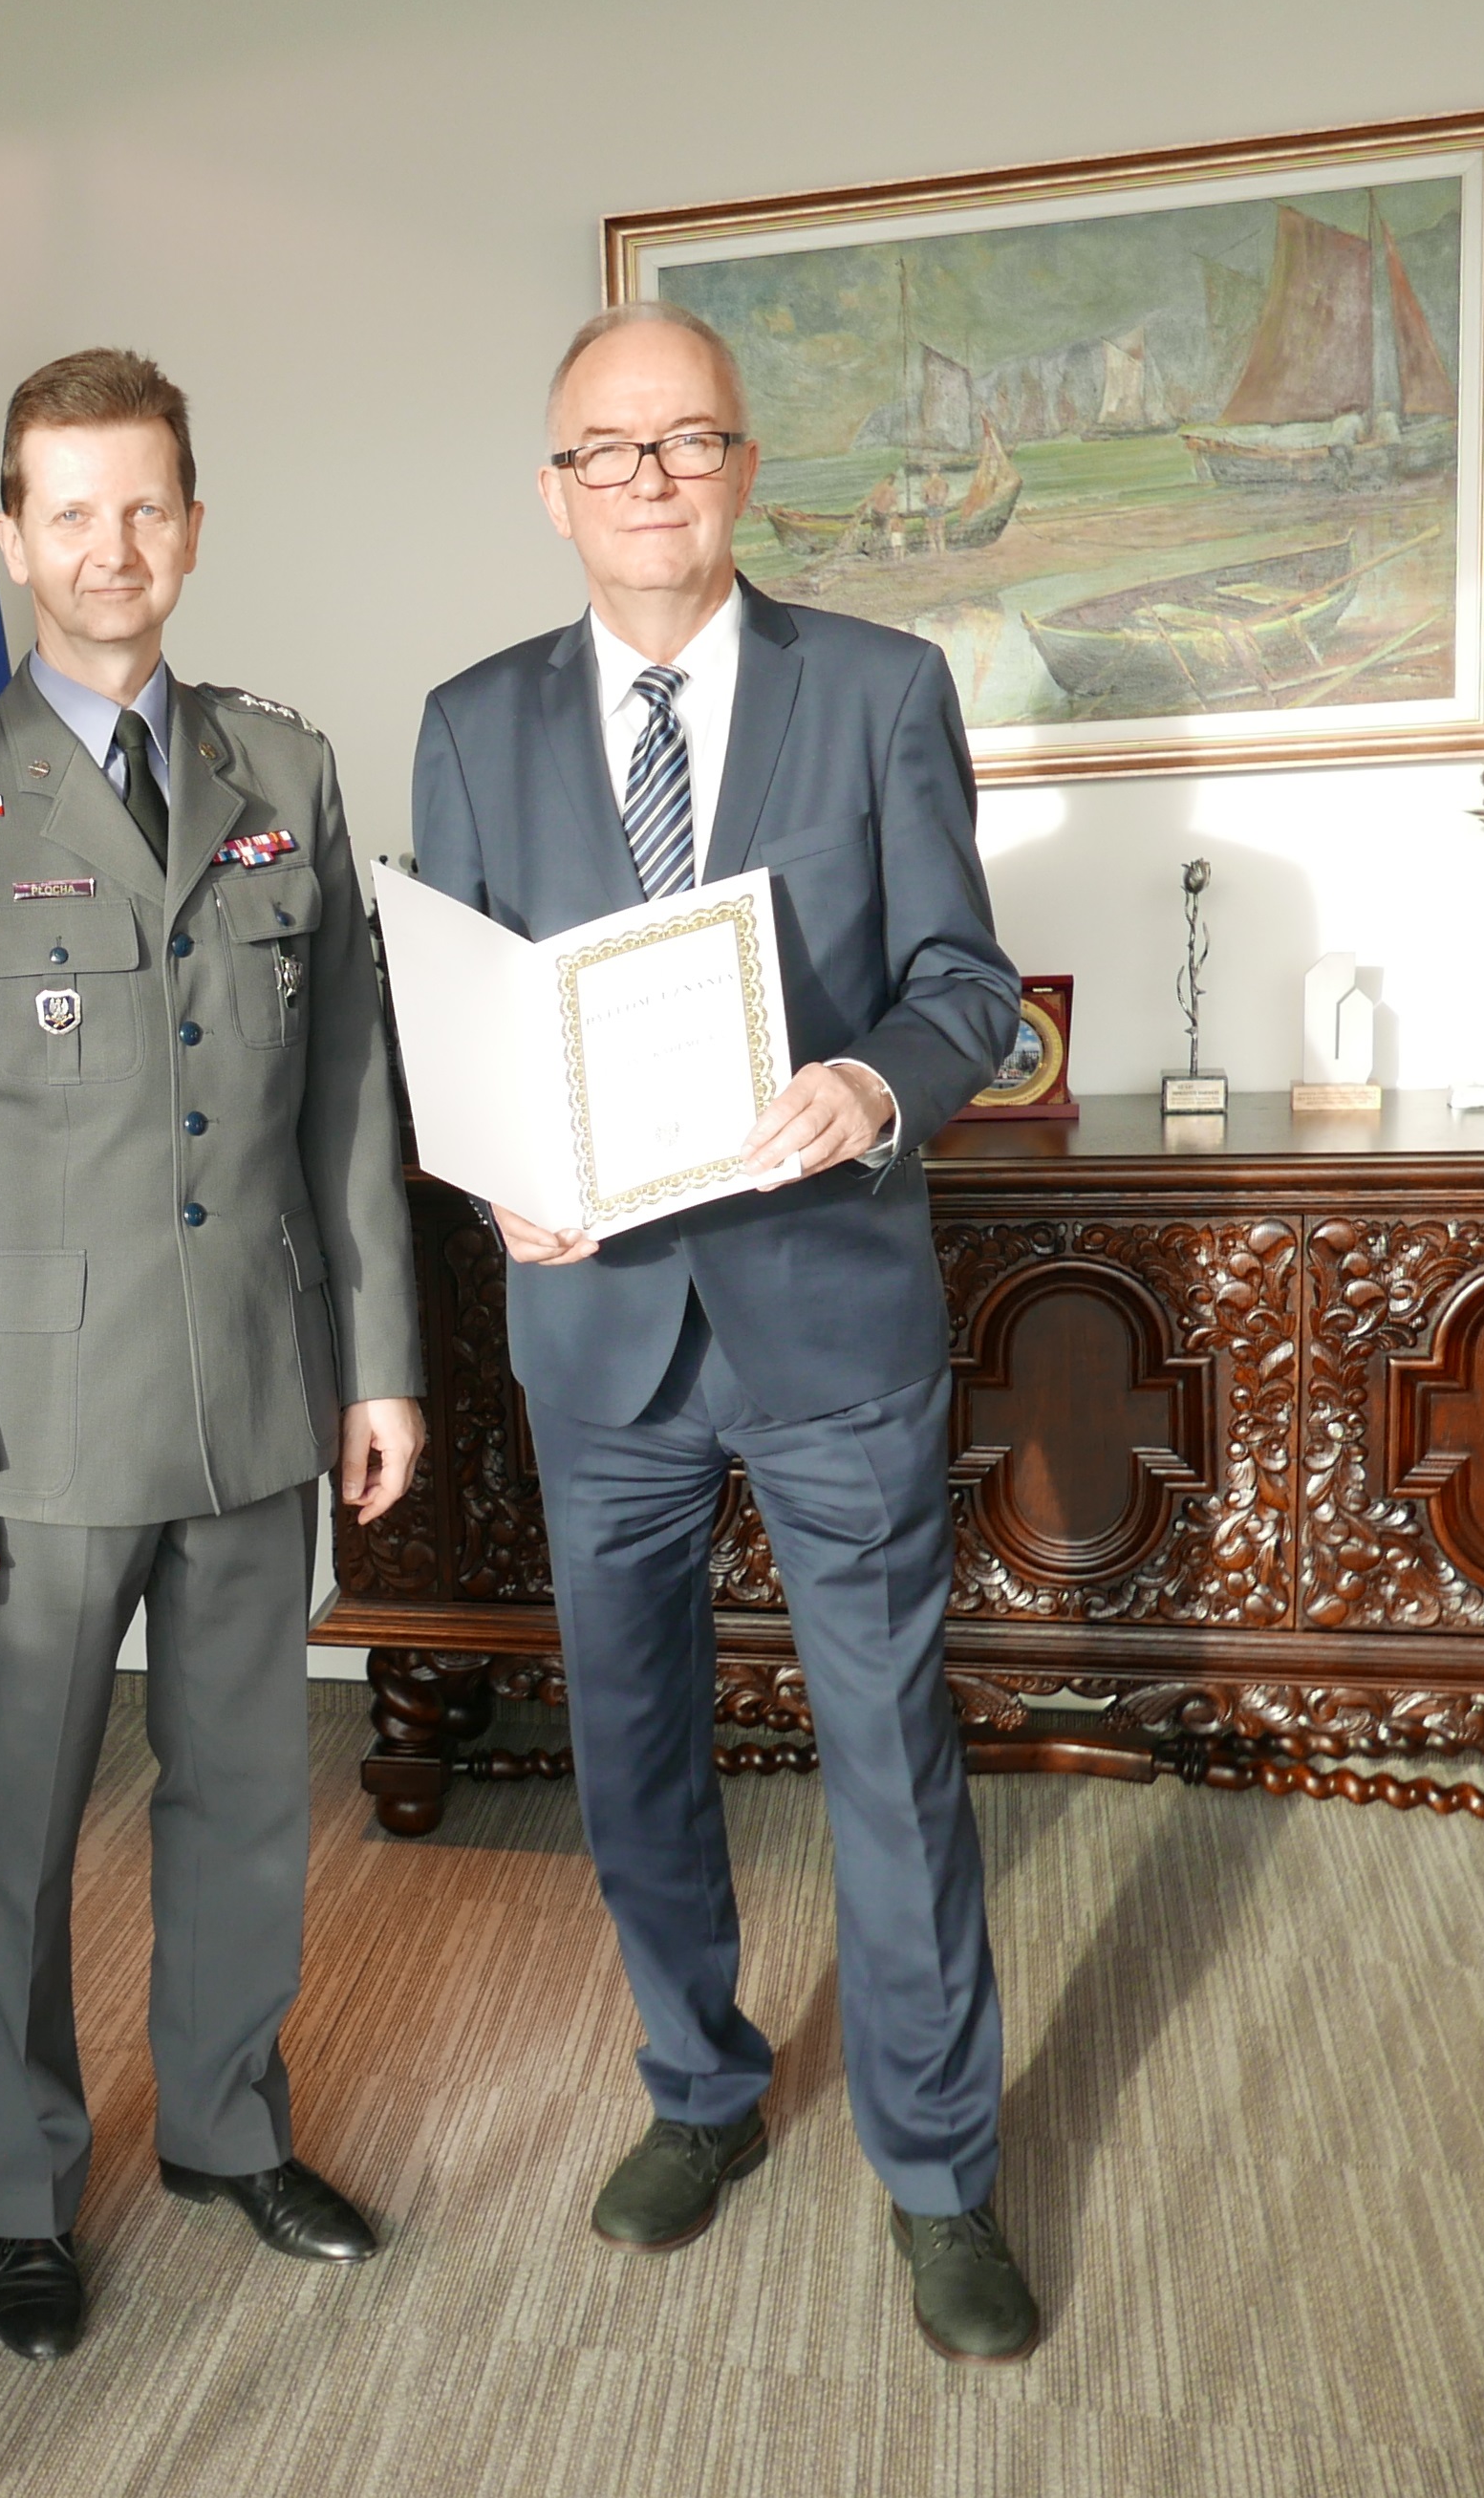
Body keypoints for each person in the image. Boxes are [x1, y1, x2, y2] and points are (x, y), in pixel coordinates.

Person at [407, 301, 1039, 2363]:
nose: (651, 478)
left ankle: (938, 2171)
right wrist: (487, 1174)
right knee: (632, 1742)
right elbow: (463, 1028)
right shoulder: (471, 722)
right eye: (609, 447)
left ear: (745, 467)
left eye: (687, 439)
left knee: (888, 1751)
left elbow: (965, 986)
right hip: (597, 1327)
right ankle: (699, 2089)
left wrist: (871, 1083)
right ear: (555, 490)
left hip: (829, 1309)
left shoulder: (880, 687)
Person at [0, 348, 424, 2362]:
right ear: (13, 535)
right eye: (70, 510)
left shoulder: (284, 771)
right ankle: (21, 2189)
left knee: (248, 1794)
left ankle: (227, 2129)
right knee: (14, 1826)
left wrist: (378, 1361)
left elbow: (346, 1092)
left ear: (193, 523)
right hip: (38, 1425)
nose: (112, 547)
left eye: (145, 506)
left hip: (255, 1386)